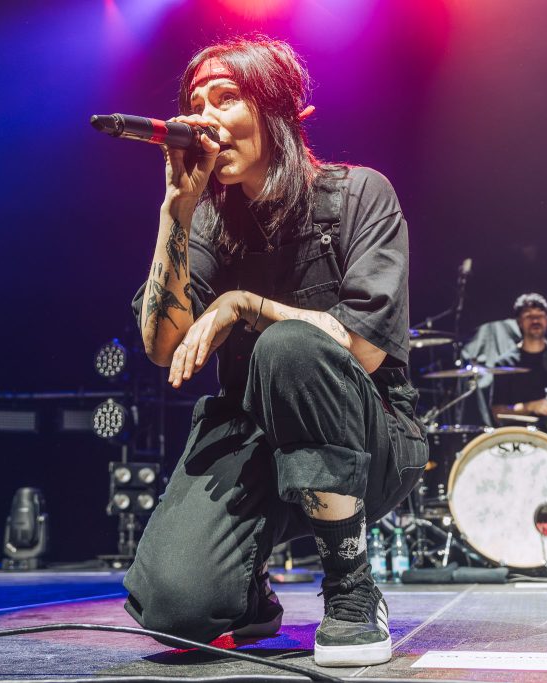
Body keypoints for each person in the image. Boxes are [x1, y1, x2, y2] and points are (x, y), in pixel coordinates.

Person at [120, 36, 428, 667]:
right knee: (176, 609)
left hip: (366, 437)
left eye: (225, 98)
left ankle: (351, 589)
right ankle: (250, 597)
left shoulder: (360, 194)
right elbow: (161, 345)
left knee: (290, 344)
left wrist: (245, 304)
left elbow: (365, 349)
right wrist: (176, 211)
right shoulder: (210, 222)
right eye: (194, 104)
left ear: (282, 111)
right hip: (254, 437)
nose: (202, 118)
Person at [490, 293, 547, 420]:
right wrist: (530, 406)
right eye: (529, 316)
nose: (535, 321)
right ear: (519, 322)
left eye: (540, 316)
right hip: (521, 431)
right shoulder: (504, 363)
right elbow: (497, 413)